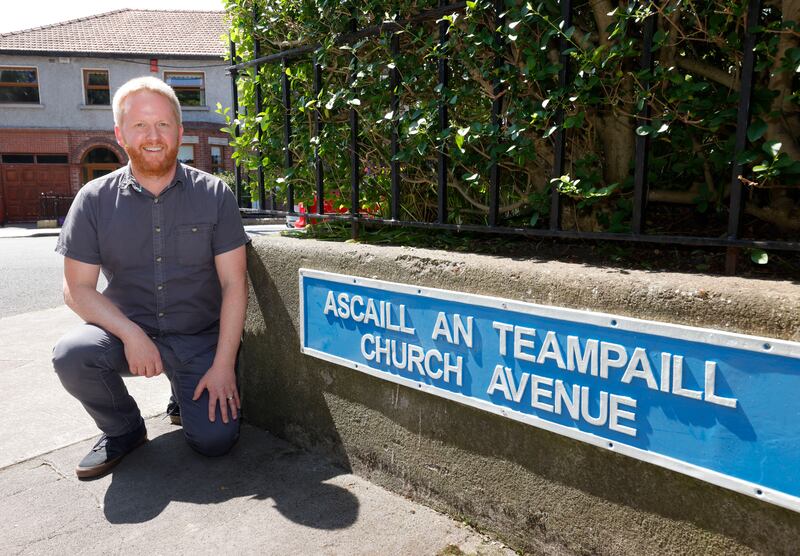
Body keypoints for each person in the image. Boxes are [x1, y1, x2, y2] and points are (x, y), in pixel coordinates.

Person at [52, 76, 249, 479]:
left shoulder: (215, 194)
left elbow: (234, 285)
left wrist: (224, 364)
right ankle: (124, 430)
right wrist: (131, 334)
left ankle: (183, 390)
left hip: (198, 338)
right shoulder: (93, 200)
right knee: (73, 354)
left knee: (215, 442)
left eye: (162, 124)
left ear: (180, 131)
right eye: (139, 125)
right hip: (128, 334)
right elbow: (77, 289)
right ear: (120, 134)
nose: (153, 136)